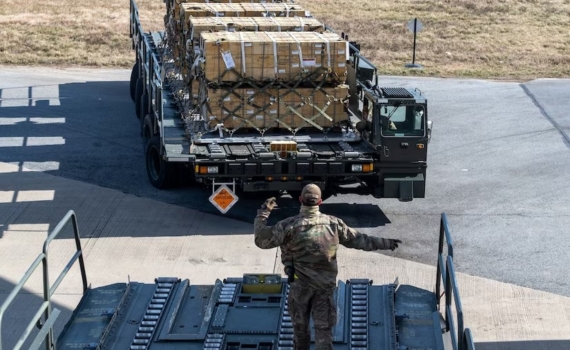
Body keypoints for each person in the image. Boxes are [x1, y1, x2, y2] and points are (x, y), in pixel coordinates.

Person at [253, 184, 402, 350]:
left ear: (301, 200)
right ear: (320, 202)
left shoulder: (287, 226)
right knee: (323, 331)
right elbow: (360, 240)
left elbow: (261, 240)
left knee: (300, 329)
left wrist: (263, 214)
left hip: (299, 287)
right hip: (324, 288)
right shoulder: (333, 224)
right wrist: (386, 243)